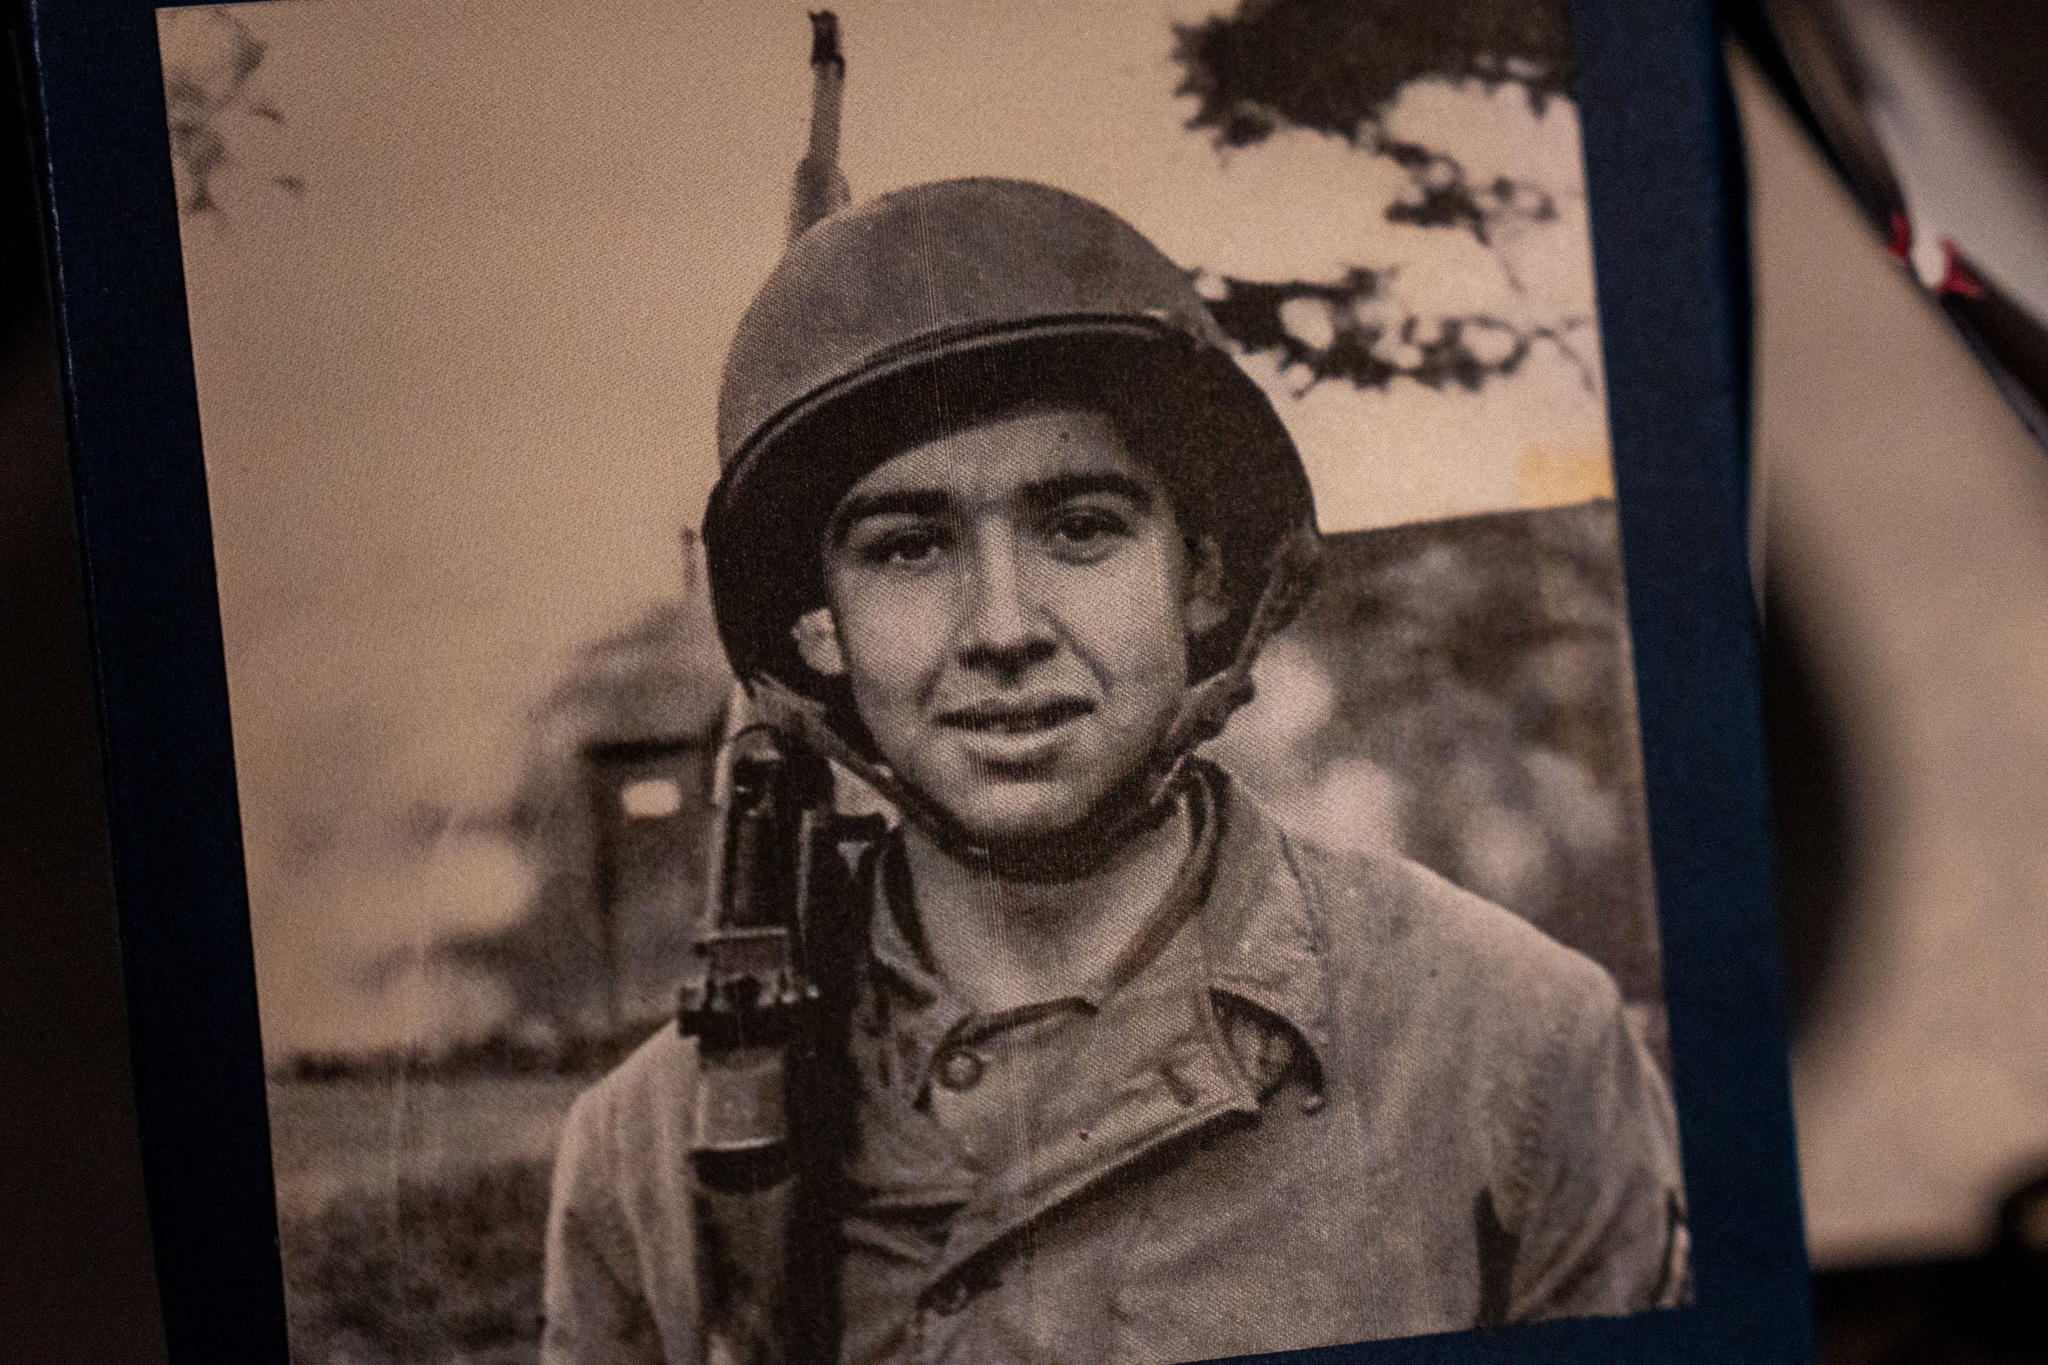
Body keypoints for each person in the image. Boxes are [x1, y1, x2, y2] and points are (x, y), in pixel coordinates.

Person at [542, 178, 1688, 1365]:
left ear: (1196, 576)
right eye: (907, 547)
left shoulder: (1507, 1048)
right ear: (816, 631)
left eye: (1078, 526)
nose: (1001, 627)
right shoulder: (648, 1153)